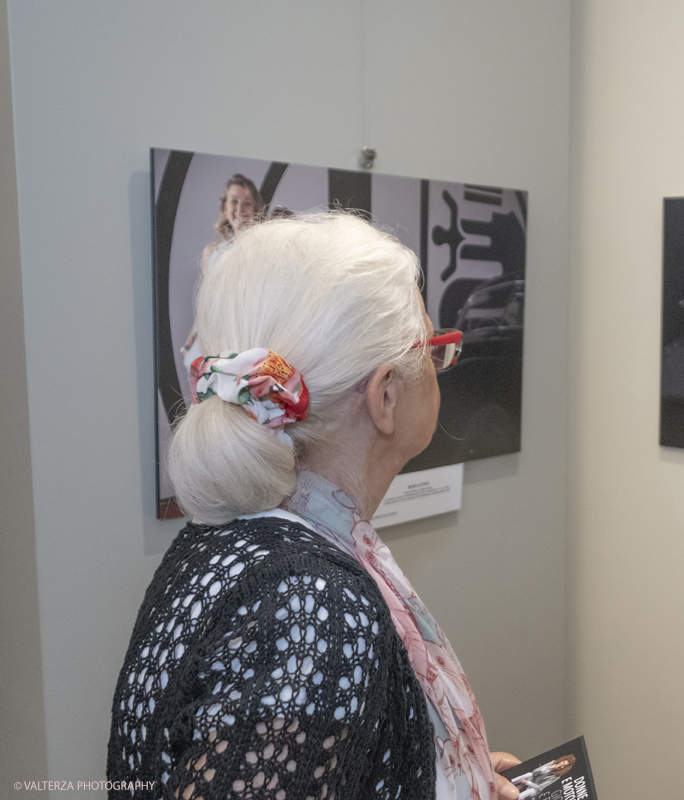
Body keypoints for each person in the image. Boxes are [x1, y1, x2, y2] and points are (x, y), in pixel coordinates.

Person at [110, 214, 520, 800]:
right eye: (433, 350)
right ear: (384, 396)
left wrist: (437, 774)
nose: (440, 369)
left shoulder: (238, 540)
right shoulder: (310, 606)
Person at [181, 175, 267, 362]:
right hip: (207, 347)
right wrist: (188, 344)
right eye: (234, 201)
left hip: (244, 345)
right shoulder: (211, 252)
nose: (240, 210)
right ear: (224, 207)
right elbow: (206, 305)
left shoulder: (265, 252)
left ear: (256, 209)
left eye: (247, 204)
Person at [510, 755, 576, 799]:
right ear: (562, 760)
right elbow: (534, 772)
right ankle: (511, 783)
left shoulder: (556, 776)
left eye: (564, 766)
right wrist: (548, 767)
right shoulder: (552, 762)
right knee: (529, 774)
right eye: (563, 762)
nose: (562, 765)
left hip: (535, 787)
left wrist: (528, 783)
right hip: (533, 778)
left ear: (564, 768)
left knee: (532, 791)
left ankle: (515, 798)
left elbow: (540, 787)